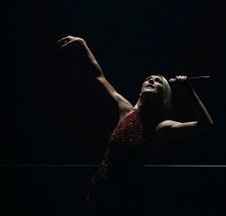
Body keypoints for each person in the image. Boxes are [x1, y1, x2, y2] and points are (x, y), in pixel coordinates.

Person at [57, 35, 213, 216]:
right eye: (149, 79)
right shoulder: (125, 110)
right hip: (99, 193)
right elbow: (98, 76)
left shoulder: (160, 127)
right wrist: (83, 44)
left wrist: (189, 91)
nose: (152, 81)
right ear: (140, 89)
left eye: (158, 82)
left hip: (126, 200)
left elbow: (205, 124)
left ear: (163, 95)